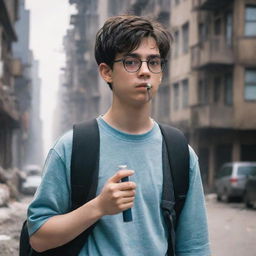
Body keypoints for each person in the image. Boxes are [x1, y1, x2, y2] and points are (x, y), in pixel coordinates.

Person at [27, 15, 211, 256]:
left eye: (153, 62)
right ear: (106, 72)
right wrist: (98, 207)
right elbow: (38, 237)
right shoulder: (72, 147)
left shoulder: (180, 153)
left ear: (161, 73)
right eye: (131, 62)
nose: (145, 71)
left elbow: (194, 248)